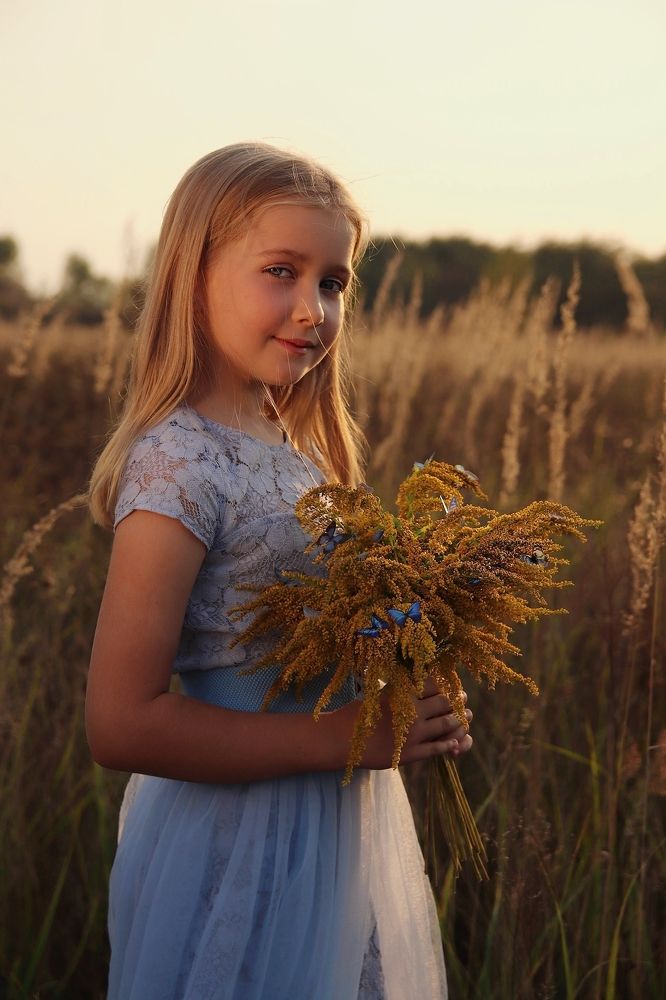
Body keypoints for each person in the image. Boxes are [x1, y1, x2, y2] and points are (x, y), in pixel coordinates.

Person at [85, 141, 473, 1000]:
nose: (312, 308)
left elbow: (300, 637)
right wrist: (336, 740)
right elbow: (119, 723)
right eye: (281, 272)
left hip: (330, 830)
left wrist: (405, 693)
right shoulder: (178, 466)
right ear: (193, 277)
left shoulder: (296, 449)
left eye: (333, 282)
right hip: (238, 837)